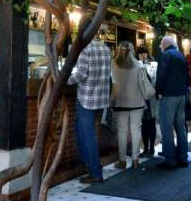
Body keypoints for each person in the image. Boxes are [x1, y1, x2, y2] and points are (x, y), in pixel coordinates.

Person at [68, 31, 112, 184]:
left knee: (88, 136)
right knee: (84, 132)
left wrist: (63, 80)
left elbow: (80, 75)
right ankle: (88, 165)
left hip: (86, 98)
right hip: (101, 98)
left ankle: (95, 172)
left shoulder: (84, 49)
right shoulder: (105, 49)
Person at [155, 36, 189, 169]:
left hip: (169, 95)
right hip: (181, 95)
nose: (160, 48)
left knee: (166, 127)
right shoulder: (181, 55)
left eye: (160, 45)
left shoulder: (166, 55)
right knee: (180, 127)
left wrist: (159, 91)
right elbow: (187, 76)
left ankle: (170, 159)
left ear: (165, 44)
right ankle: (183, 157)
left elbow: (161, 74)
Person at [111, 42, 146, 170]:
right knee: (136, 130)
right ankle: (136, 160)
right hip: (137, 102)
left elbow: (113, 83)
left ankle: (122, 161)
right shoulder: (139, 64)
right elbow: (142, 85)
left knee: (122, 132)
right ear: (132, 51)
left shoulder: (114, 64)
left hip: (120, 102)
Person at [137, 47, 158, 157]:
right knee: (144, 125)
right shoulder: (136, 65)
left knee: (151, 124)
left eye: (144, 53)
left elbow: (156, 80)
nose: (143, 55)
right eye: (140, 54)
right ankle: (145, 148)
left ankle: (151, 148)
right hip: (140, 99)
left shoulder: (154, 65)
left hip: (151, 98)